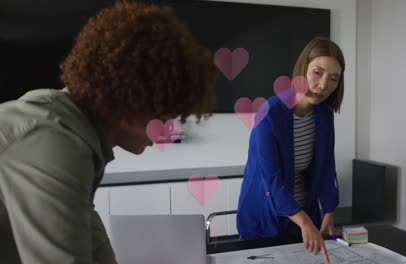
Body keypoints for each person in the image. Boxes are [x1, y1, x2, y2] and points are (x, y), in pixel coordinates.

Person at [0, 2, 218, 264]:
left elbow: (85, 223)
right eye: (164, 116)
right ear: (130, 100)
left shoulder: (74, 129)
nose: (167, 132)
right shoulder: (56, 141)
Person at [236, 36, 345, 264]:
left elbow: (326, 168)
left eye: (333, 79)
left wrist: (329, 212)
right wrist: (305, 222)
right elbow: (272, 182)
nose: (324, 85)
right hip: (264, 218)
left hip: (305, 214)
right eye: (317, 73)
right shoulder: (269, 114)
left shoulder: (324, 115)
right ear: (302, 69)